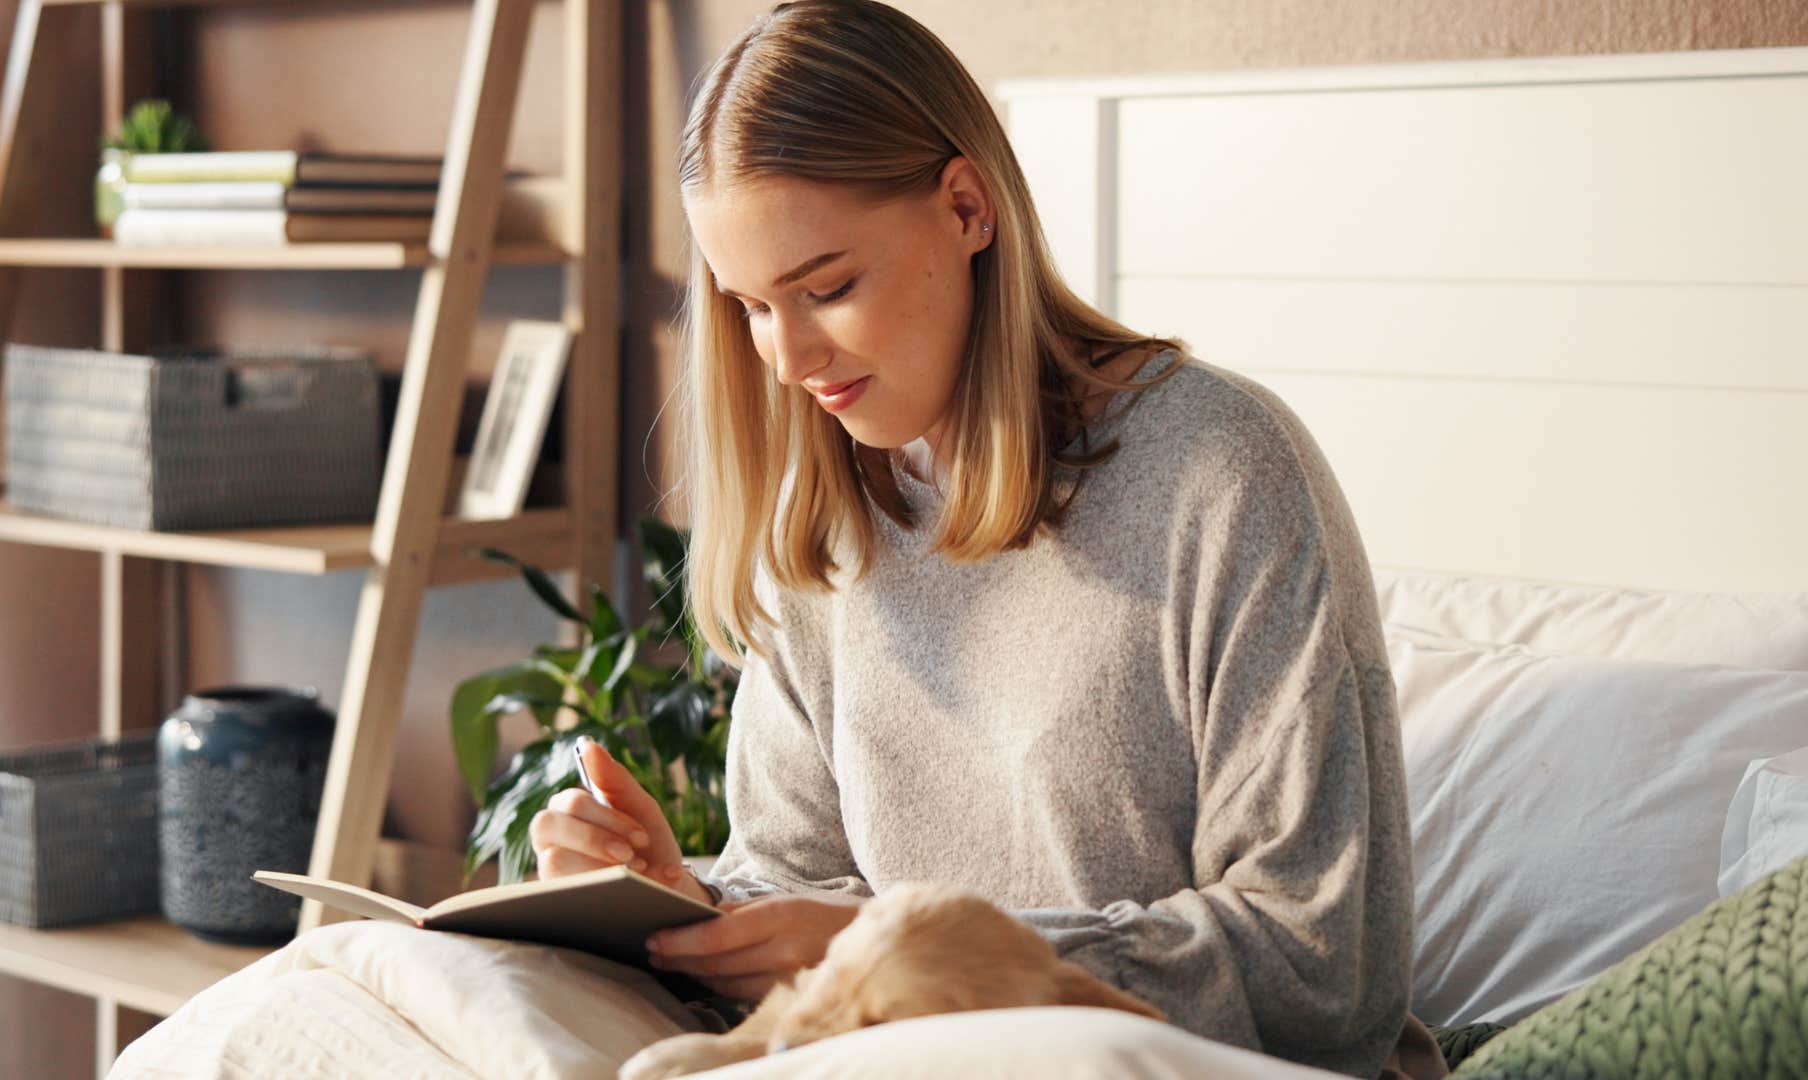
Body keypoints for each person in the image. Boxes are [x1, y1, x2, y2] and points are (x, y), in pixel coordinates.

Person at [530, 2, 1444, 1076]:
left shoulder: (1224, 473)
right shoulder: (827, 527)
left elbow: (1322, 973)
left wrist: (934, 960)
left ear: (968, 206)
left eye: (825, 289)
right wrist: (692, 908)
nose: (785, 361)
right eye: (751, 309)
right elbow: (797, 887)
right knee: (373, 977)